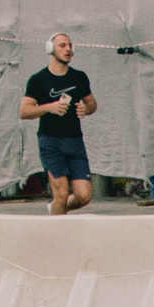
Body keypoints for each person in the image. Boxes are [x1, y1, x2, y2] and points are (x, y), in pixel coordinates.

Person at [19, 33, 96, 214]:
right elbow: (24, 111)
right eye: (62, 45)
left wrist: (86, 109)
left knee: (83, 196)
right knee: (61, 192)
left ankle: (55, 210)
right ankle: (58, 234)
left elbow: (92, 103)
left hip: (75, 141)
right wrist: (48, 108)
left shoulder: (79, 77)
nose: (68, 49)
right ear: (50, 49)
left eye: (70, 45)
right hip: (50, 141)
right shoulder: (38, 79)